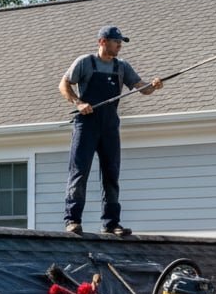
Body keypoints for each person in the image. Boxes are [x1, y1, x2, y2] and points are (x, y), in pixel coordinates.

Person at [60, 25, 162, 235]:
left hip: (109, 126)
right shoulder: (85, 62)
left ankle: (111, 223)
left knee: (111, 174)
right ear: (102, 42)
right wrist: (79, 103)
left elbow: (143, 88)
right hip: (86, 125)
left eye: (120, 42)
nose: (119, 46)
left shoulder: (122, 67)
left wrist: (154, 85)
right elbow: (64, 84)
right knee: (79, 173)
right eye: (116, 42)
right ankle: (72, 220)